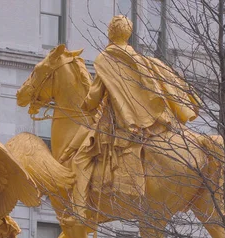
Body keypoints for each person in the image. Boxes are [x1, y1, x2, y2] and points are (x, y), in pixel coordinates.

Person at [67, 15, 202, 220]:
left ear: (110, 33)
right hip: (149, 122)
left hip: (119, 124)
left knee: (81, 157)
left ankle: (77, 212)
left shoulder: (105, 58)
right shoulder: (139, 58)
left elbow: (95, 97)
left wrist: (84, 105)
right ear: (128, 35)